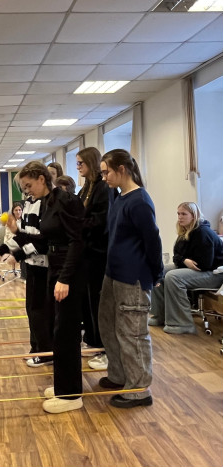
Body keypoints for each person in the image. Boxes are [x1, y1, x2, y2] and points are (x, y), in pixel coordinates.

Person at [8, 161, 85, 414]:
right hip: (55, 269)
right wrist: (16, 233)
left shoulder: (66, 200)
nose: (27, 191)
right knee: (58, 331)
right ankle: (64, 386)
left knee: (67, 333)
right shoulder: (49, 202)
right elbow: (43, 241)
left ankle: (71, 395)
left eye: (29, 185)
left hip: (67, 273)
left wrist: (65, 278)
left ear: (42, 179)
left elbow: (77, 242)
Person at [98, 149, 163, 408]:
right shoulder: (119, 197)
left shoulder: (140, 201)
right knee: (108, 326)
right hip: (112, 274)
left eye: (107, 172)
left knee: (132, 334)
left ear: (122, 169)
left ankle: (138, 390)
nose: (104, 177)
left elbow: (152, 241)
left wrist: (156, 273)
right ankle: (119, 375)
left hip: (133, 278)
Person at [0, 187, 52, 368]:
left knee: (40, 311)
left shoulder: (47, 204)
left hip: (44, 267)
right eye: (24, 187)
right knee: (31, 310)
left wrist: (18, 255)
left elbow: (42, 241)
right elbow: (24, 235)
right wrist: (4, 249)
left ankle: (45, 352)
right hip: (32, 265)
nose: (27, 190)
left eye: (28, 185)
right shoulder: (29, 203)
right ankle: (36, 348)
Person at [150, 202, 223, 334]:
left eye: (184, 214)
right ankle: (160, 315)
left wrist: (183, 260)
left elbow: (204, 264)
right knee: (159, 270)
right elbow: (177, 256)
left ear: (193, 216)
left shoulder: (203, 233)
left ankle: (182, 323)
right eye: (178, 214)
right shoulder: (185, 232)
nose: (180, 217)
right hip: (200, 269)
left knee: (173, 277)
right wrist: (184, 260)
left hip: (214, 274)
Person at [76, 147, 111, 371]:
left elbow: (100, 222)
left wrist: (75, 224)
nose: (78, 167)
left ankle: (103, 347)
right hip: (86, 252)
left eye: (81, 163)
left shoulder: (102, 188)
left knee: (98, 302)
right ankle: (92, 340)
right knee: (87, 301)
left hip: (98, 253)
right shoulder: (86, 187)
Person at [3, 202, 27, 282]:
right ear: (13, 211)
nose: (18, 212)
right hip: (11, 242)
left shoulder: (25, 221)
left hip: (21, 242)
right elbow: (9, 236)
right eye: (16, 210)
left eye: (20, 210)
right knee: (24, 251)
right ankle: (24, 276)